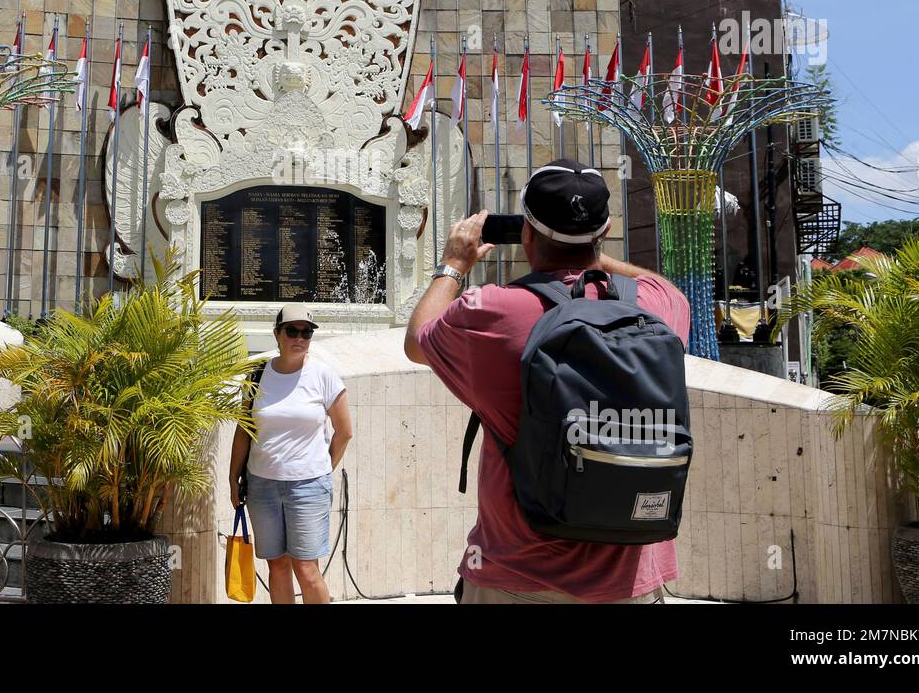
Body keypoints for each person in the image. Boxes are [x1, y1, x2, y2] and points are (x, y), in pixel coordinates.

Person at [404, 159, 691, 604]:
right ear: (605, 229)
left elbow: (417, 340)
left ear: (527, 233)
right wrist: (593, 255)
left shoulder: (493, 311)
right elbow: (662, 285)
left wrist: (454, 264)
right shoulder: (657, 306)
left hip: (517, 574)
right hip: (630, 581)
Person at [229, 304, 353, 604]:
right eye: (292, 331)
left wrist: (322, 469)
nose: (299, 338)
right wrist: (233, 479)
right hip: (262, 486)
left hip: (308, 487)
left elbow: (344, 432)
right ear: (277, 334)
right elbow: (244, 430)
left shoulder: (323, 375)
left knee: (307, 569)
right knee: (277, 565)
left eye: (306, 332)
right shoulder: (257, 375)